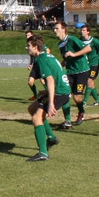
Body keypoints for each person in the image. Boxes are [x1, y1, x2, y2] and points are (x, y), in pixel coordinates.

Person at [26, 34, 70, 162]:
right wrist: (46, 91)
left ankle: (43, 153)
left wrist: (50, 102)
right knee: (32, 108)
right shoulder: (46, 56)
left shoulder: (41, 59)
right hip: (60, 90)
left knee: (36, 118)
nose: (26, 47)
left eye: (28, 45)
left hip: (60, 93)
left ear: (35, 47)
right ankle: (51, 137)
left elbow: (50, 80)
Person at [53, 21, 91, 128]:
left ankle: (81, 112)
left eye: (57, 28)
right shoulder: (60, 44)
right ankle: (68, 121)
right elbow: (66, 59)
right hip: (70, 72)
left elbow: (88, 48)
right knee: (65, 95)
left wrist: (74, 54)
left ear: (63, 29)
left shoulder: (72, 39)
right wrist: (59, 67)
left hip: (82, 71)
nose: (54, 30)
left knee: (77, 98)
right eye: (54, 28)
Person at [79, 24, 99, 106]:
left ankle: (84, 102)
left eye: (84, 30)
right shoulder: (79, 41)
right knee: (91, 84)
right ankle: (97, 100)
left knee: (89, 81)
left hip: (94, 64)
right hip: (85, 65)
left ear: (88, 32)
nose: (82, 32)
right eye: (81, 30)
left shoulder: (94, 41)